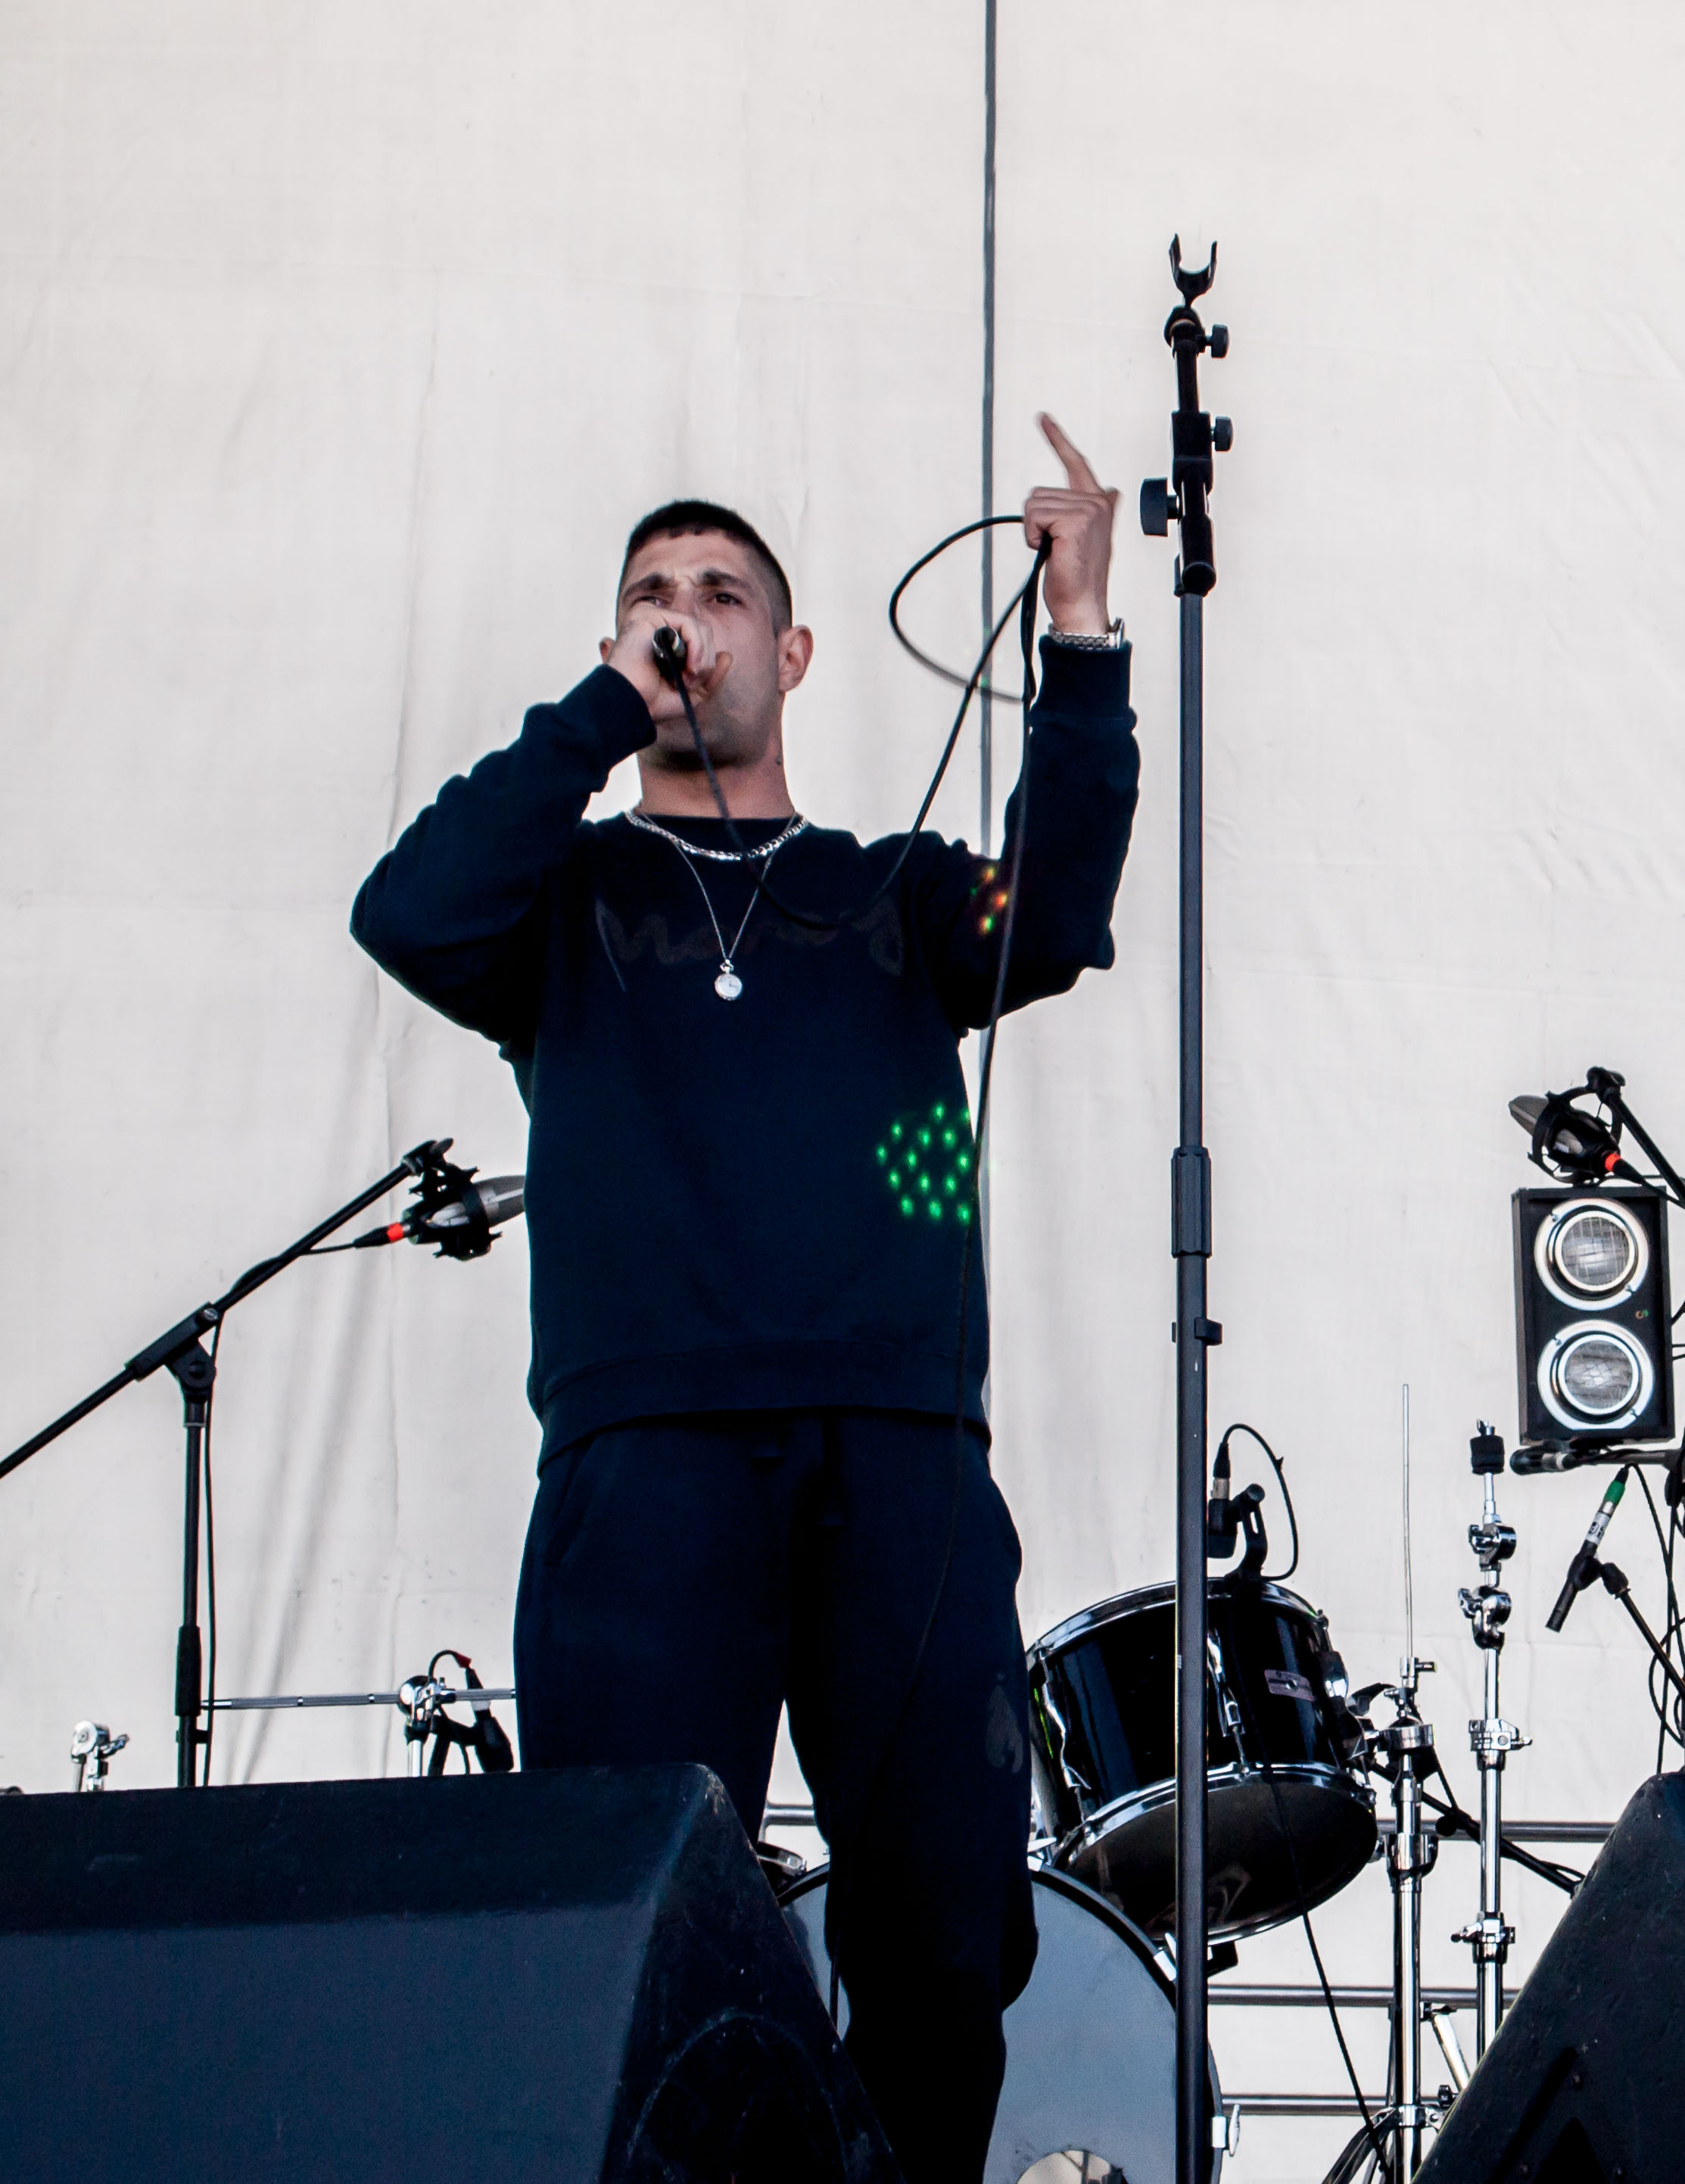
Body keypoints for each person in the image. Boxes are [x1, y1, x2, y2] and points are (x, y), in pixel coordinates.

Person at [350, 416, 1137, 2170]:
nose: (684, 616)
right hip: (648, 1462)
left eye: (721, 596)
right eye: (654, 595)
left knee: (945, 1936)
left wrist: (1082, 636)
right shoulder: (563, 904)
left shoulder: (891, 894)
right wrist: (597, 715)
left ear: (792, 655)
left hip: (899, 1452)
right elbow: (408, 913)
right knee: (630, 1923)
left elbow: (1058, 913)